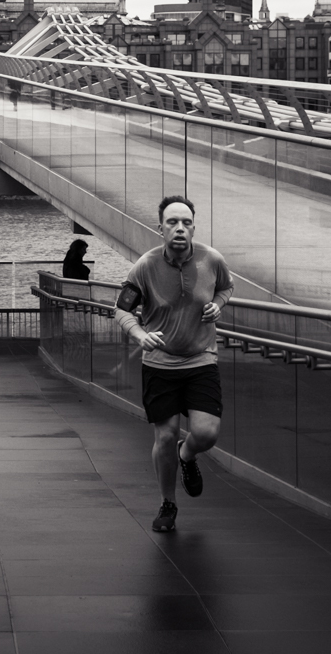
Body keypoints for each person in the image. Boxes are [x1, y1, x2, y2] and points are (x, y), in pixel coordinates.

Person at [113, 196, 233, 533]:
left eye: (186, 222)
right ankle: (168, 503)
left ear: (194, 227)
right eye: (172, 222)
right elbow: (122, 309)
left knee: (206, 433)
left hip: (201, 359)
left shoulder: (213, 260)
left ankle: (188, 454)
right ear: (160, 228)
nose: (179, 228)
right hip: (160, 365)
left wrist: (218, 305)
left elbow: (226, 287)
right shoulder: (146, 266)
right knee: (164, 436)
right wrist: (139, 335)